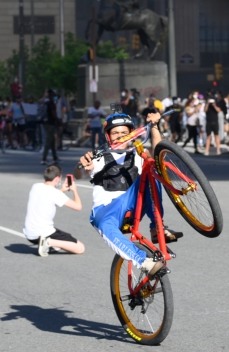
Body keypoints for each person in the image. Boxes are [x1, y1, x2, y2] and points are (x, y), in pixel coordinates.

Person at [74, 111, 180, 277]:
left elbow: (159, 153)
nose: (120, 137)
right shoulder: (98, 157)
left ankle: (157, 227)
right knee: (104, 225)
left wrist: (154, 126)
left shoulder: (138, 153)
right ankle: (144, 262)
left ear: (131, 134)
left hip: (133, 205)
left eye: (124, 133)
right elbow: (79, 174)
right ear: (108, 136)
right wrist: (82, 167)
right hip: (107, 210)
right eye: (115, 133)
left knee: (153, 167)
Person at [23, 165, 85, 256]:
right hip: (43, 234)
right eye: (60, 178)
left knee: (62, 238)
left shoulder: (35, 186)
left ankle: (48, 243)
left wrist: (62, 190)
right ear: (57, 178)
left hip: (30, 235)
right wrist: (74, 190)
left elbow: (48, 198)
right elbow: (78, 206)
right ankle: (48, 242)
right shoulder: (55, 193)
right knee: (80, 248)